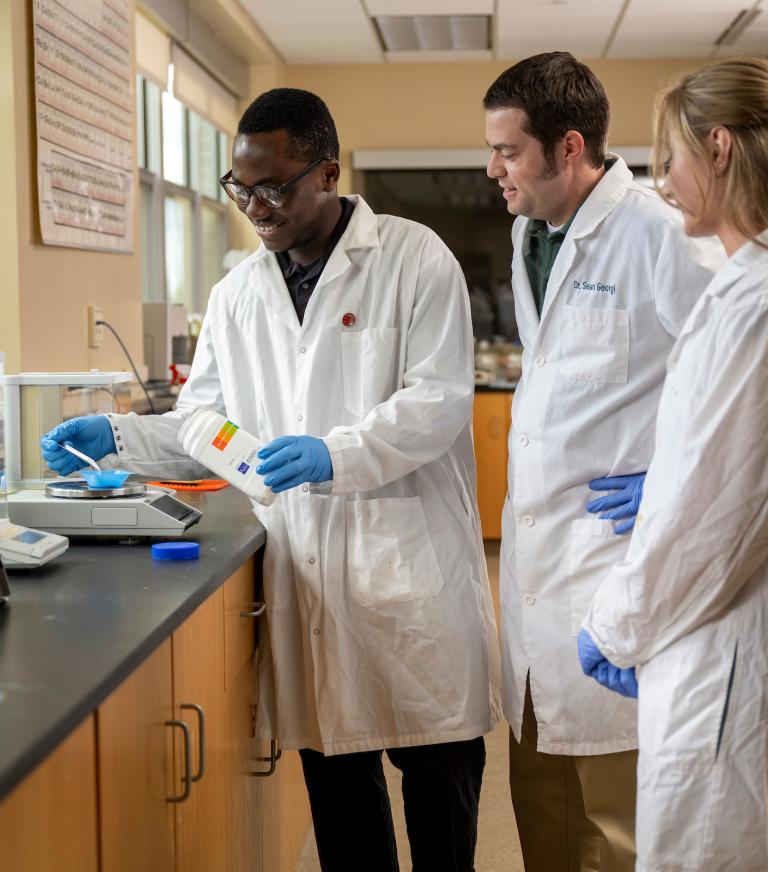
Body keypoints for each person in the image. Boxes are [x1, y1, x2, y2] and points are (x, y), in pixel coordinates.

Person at [41, 88, 501, 872]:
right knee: (346, 819)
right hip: (312, 582)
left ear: (327, 172)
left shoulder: (412, 256)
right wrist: (119, 436)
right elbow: (206, 429)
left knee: (442, 808)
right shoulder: (237, 294)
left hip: (411, 574)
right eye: (239, 187)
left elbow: (439, 400)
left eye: (274, 187)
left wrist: (338, 454)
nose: (254, 207)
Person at [483, 52, 724, 872]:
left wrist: (677, 482)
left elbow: (745, 375)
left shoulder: (663, 235)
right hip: (536, 577)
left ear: (570, 147)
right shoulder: (529, 237)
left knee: (613, 828)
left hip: (618, 566)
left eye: (509, 151)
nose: (494, 170)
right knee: (542, 808)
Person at [579, 57, 768, 872]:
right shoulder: (744, 289)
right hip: (720, 628)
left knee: (704, 843)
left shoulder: (752, 306)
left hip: (725, 649)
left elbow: (709, 513)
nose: (664, 182)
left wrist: (613, 627)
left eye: (670, 159)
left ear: (718, 148)